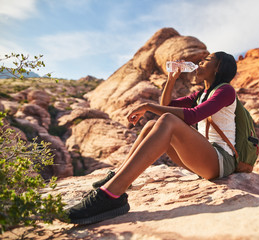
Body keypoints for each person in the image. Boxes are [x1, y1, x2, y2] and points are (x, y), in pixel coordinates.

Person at [66, 51, 238, 225]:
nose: (200, 62)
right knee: (151, 126)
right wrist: (171, 79)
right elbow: (166, 106)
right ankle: (117, 177)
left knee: (168, 120)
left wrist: (148, 105)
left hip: (221, 161)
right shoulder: (201, 94)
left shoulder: (225, 90)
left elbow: (192, 116)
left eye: (206, 60)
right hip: (204, 160)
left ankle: (110, 195)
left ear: (218, 68)